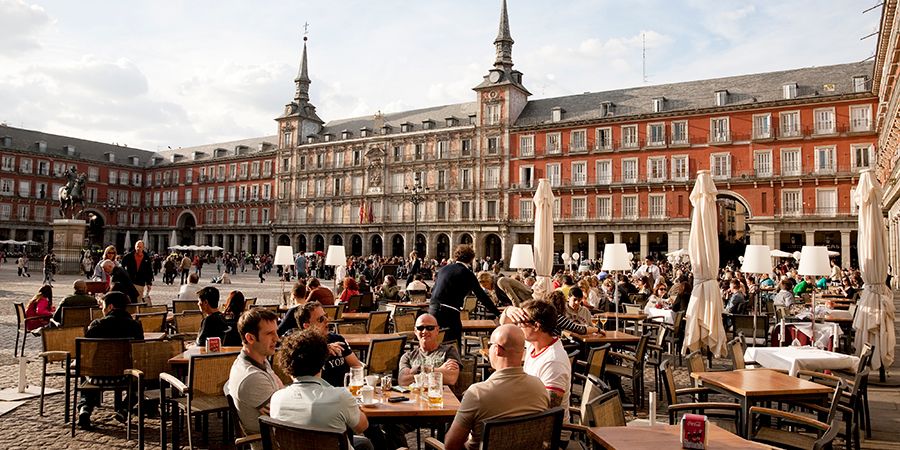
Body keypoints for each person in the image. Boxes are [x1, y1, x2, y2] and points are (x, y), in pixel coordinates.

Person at [442, 324, 550, 450]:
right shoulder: (539, 387)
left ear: (497, 349)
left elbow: (451, 445)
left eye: (490, 345)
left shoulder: (477, 393)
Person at [270, 329, 373, 450]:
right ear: (322, 361)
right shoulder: (340, 397)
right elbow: (362, 426)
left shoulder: (277, 399)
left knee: (363, 443)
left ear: (286, 364)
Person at [77, 291, 144, 430]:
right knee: (142, 380)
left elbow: (86, 352)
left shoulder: (96, 325)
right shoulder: (135, 326)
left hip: (96, 377)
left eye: (103, 306)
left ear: (110, 307)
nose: (102, 309)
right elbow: (139, 352)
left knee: (89, 371)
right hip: (124, 376)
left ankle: (85, 407)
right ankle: (125, 408)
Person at [225, 308, 283, 450]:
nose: (277, 338)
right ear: (250, 338)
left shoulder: (259, 360)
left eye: (276, 331)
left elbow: (281, 395)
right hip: (274, 442)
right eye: (269, 334)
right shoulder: (252, 377)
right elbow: (284, 415)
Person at [430, 244, 500, 344]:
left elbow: (434, 289)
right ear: (471, 259)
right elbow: (481, 296)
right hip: (450, 311)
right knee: (453, 343)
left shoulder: (442, 270)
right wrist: (497, 313)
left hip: (433, 309)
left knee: (434, 342)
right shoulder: (467, 273)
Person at [516, 300, 571, 410]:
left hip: (544, 424)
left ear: (536, 326)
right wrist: (508, 311)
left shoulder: (553, 362)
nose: (518, 326)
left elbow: (549, 410)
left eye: (521, 322)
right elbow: (504, 326)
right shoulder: (535, 344)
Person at [296, 301, 364, 387]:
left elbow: (357, 367)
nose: (326, 320)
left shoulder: (337, 339)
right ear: (307, 326)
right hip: (320, 396)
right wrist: (323, 350)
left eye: (326, 316)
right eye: (320, 319)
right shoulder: (301, 347)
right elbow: (303, 383)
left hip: (344, 393)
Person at [398, 314, 462, 387]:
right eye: (420, 328)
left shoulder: (449, 350)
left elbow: (451, 378)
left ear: (437, 330)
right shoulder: (408, 356)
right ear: (415, 331)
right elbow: (403, 381)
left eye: (430, 328)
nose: (424, 331)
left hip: (442, 396)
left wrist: (420, 370)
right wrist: (439, 371)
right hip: (416, 397)